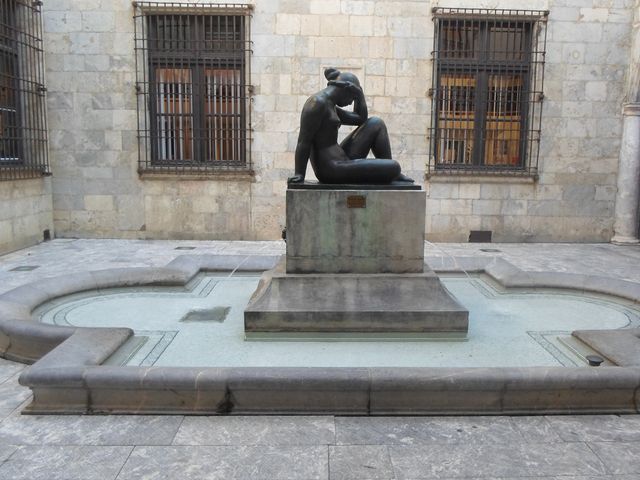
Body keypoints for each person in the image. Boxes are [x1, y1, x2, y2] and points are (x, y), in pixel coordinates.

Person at [287, 68, 414, 185]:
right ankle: (393, 173)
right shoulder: (317, 104)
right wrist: (299, 174)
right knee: (394, 167)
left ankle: (393, 175)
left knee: (376, 123)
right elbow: (303, 141)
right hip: (331, 169)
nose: (351, 102)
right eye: (352, 98)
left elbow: (360, 119)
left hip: (342, 159)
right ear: (346, 90)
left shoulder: (330, 104)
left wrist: (360, 95)